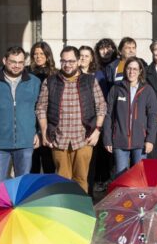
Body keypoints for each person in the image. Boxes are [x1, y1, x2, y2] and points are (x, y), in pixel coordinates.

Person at [36, 46, 106, 192]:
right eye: (64, 61)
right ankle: (64, 214)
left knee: (81, 180)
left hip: (83, 138)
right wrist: (44, 133)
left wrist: (97, 131)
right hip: (58, 140)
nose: (67, 65)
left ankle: (81, 213)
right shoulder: (50, 82)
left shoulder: (90, 81)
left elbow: (102, 106)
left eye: (71, 61)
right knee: (62, 181)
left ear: (78, 61)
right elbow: (41, 108)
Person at [0, 46, 42, 189]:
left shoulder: (34, 82)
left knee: (23, 186)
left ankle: (19, 211)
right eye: (13, 62)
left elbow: (41, 109)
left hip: (25, 141)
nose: (17, 66)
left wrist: (39, 133)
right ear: (5, 61)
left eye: (21, 62)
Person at [104, 57, 157, 179]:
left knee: (139, 177)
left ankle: (138, 199)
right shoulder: (116, 89)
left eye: (135, 69)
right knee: (121, 176)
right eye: (128, 68)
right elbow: (108, 115)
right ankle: (123, 199)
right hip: (120, 140)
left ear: (140, 71)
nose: (131, 71)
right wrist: (107, 138)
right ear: (124, 70)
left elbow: (152, 115)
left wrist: (150, 139)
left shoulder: (147, 90)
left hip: (140, 142)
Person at [90, 37, 117, 195]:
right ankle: (99, 180)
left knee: (110, 149)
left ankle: (109, 179)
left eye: (109, 48)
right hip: (97, 115)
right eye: (102, 48)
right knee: (98, 150)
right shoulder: (97, 69)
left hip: (112, 113)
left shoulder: (119, 66)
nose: (106, 51)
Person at [29, 41, 57, 174]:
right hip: (31, 120)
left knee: (48, 163)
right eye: (35, 53)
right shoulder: (27, 72)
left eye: (41, 53)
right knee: (32, 163)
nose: (38, 56)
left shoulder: (55, 74)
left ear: (47, 55)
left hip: (49, 119)